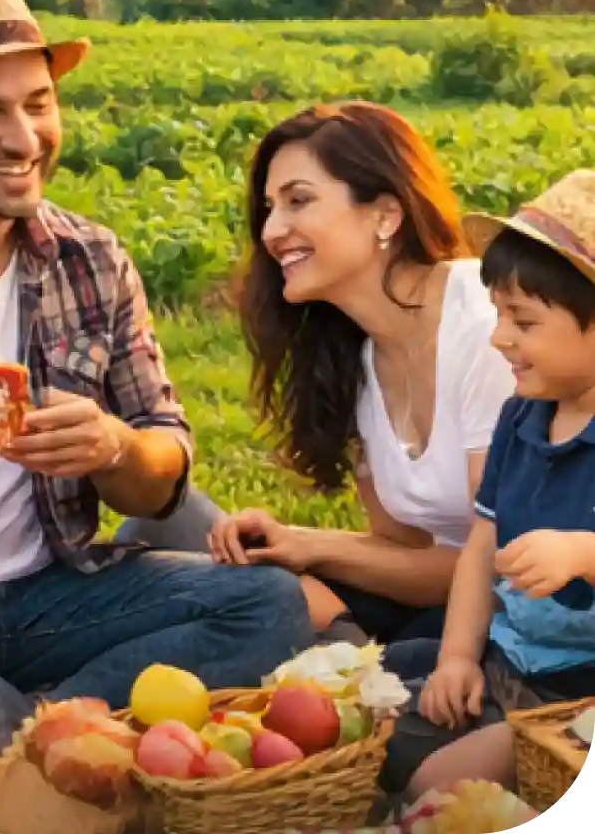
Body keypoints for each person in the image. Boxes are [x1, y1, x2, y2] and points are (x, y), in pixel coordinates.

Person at [0, 0, 314, 807]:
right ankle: (81, 724)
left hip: (60, 593)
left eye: (38, 103)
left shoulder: (91, 258)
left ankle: (41, 730)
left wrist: (116, 448)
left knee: (270, 606)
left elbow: (163, 472)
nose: (23, 138)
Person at [208, 102, 515, 650]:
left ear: (385, 215)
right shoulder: (355, 355)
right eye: (269, 208)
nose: (272, 231)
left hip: (522, 624)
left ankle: (348, 651)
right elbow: (402, 554)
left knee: (275, 610)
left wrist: (313, 548)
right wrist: (292, 545)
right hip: (437, 604)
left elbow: (499, 565)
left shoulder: (484, 327)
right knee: (177, 536)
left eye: (298, 200)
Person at [379, 170, 595, 802]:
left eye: (523, 321)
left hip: (578, 701)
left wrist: (584, 553)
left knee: (433, 788)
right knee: (376, 734)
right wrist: (457, 658)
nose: (499, 337)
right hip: (507, 663)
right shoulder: (522, 417)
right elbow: (482, 544)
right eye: (499, 314)